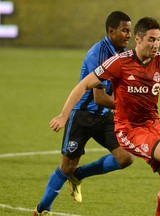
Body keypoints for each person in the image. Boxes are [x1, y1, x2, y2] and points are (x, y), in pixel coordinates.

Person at [49, 17, 160, 215]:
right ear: (138, 39)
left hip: (154, 125)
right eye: (151, 40)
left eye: (159, 39)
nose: (156, 44)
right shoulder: (120, 62)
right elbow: (84, 84)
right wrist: (63, 115)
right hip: (129, 129)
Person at [33, 11, 133, 216]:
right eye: (125, 30)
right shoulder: (97, 54)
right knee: (67, 165)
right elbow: (99, 97)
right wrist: (63, 116)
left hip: (104, 116)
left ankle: (79, 176)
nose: (128, 35)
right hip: (82, 116)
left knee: (125, 157)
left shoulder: (120, 54)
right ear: (111, 31)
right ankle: (42, 209)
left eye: (130, 31)